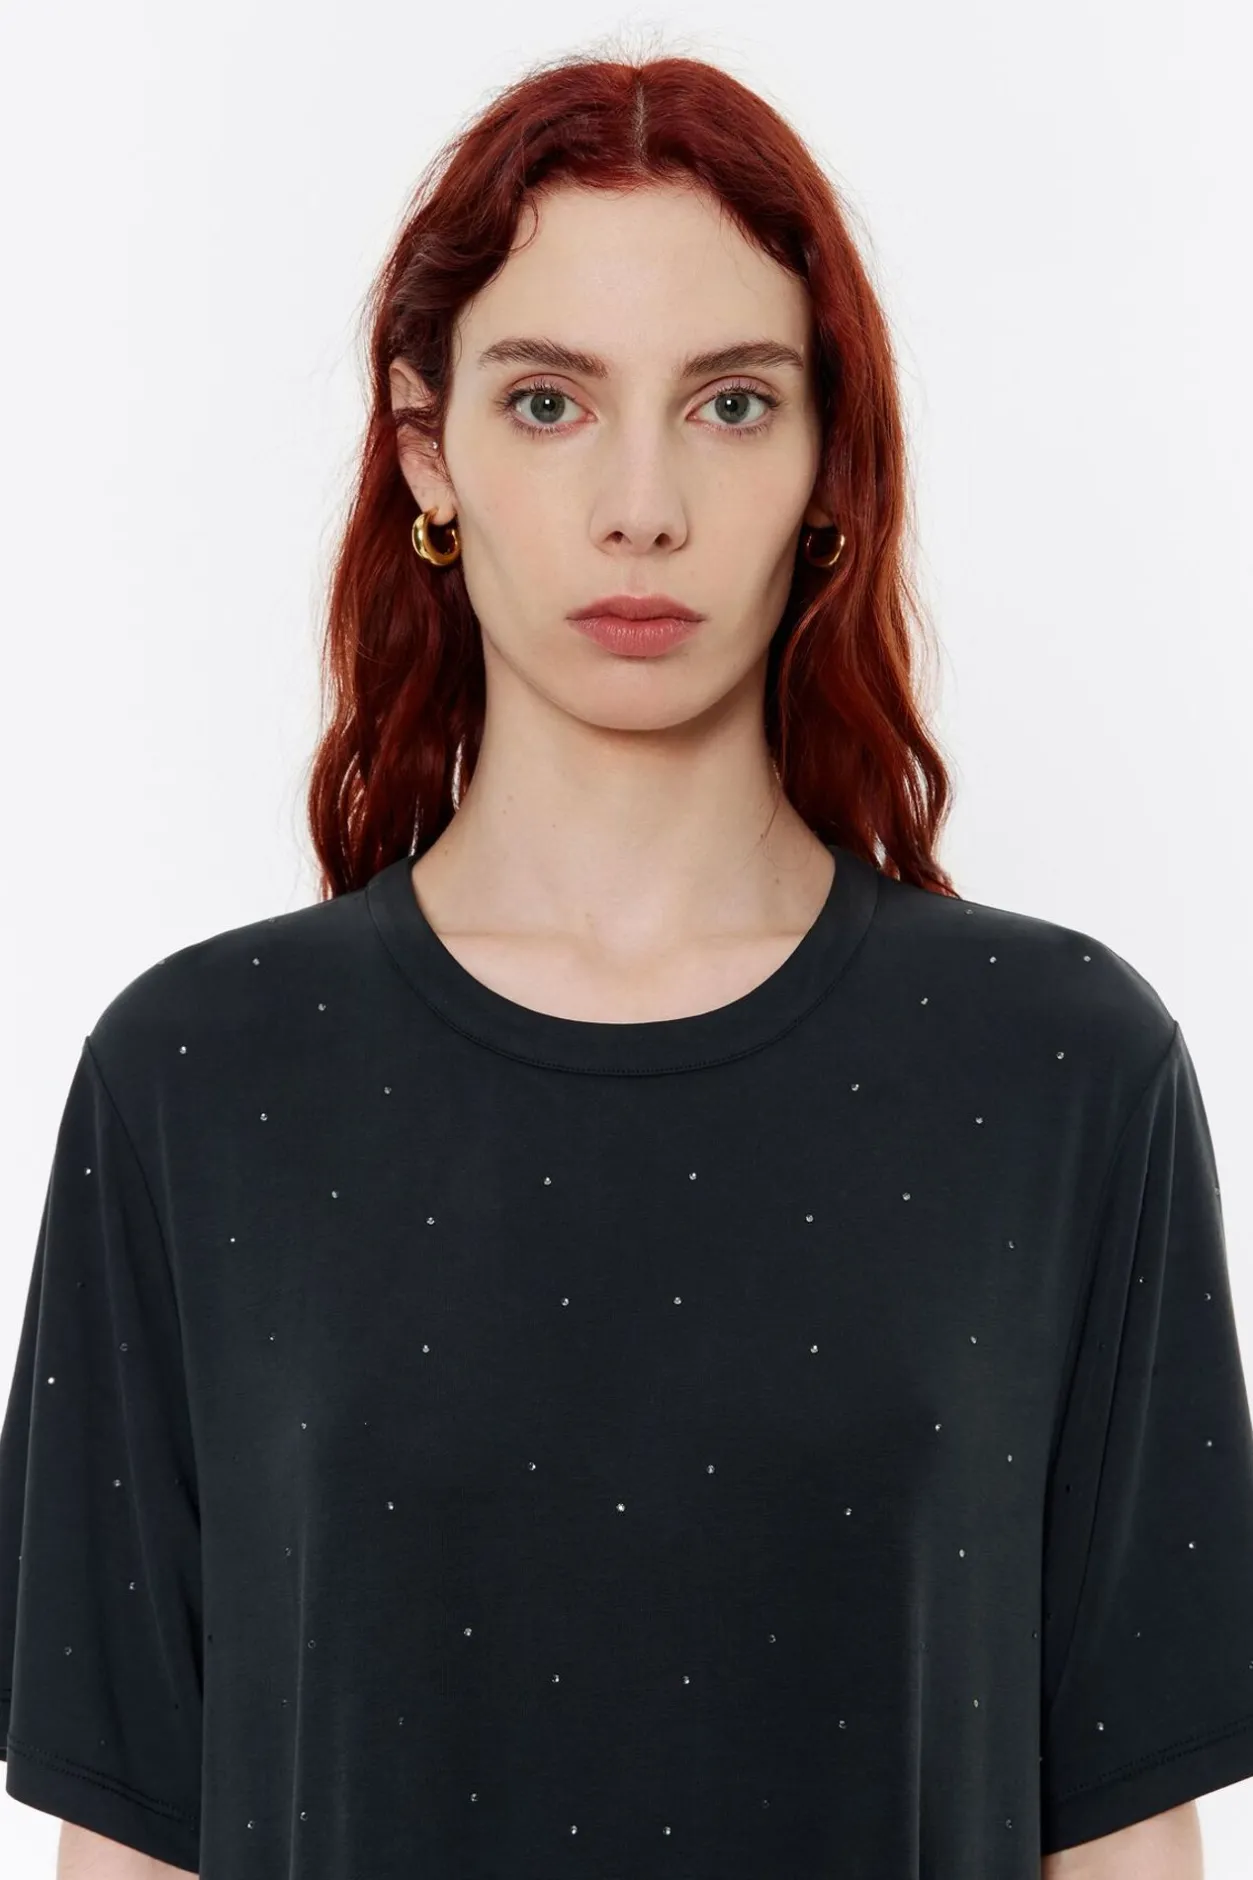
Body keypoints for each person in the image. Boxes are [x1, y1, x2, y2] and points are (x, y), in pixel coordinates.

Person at [2, 46, 1251, 1880]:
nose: (642, 505)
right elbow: (124, 1841)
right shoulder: (197, 1083)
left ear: (828, 459)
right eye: (549, 401)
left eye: (732, 403)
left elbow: (1128, 1834)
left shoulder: (1062, 1074)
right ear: (427, 448)